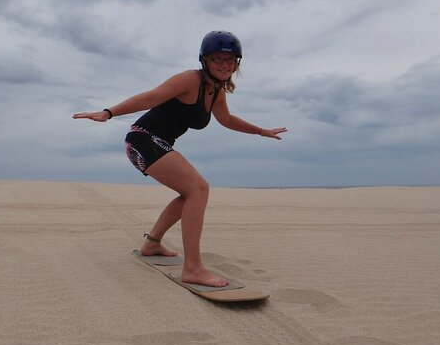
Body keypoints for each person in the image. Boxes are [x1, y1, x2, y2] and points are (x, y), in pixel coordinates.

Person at [73, 31, 287, 287]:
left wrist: (261, 131)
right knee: (199, 188)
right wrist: (109, 112)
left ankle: (152, 244)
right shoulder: (189, 80)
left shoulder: (216, 92)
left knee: (191, 193)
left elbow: (227, 120)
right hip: (143, 139)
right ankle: (193, 268)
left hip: (157, 143)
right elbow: (151, 97)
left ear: (237, 64)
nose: (224, 65)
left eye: (230, 60)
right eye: (217, 59)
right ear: (204, 60)